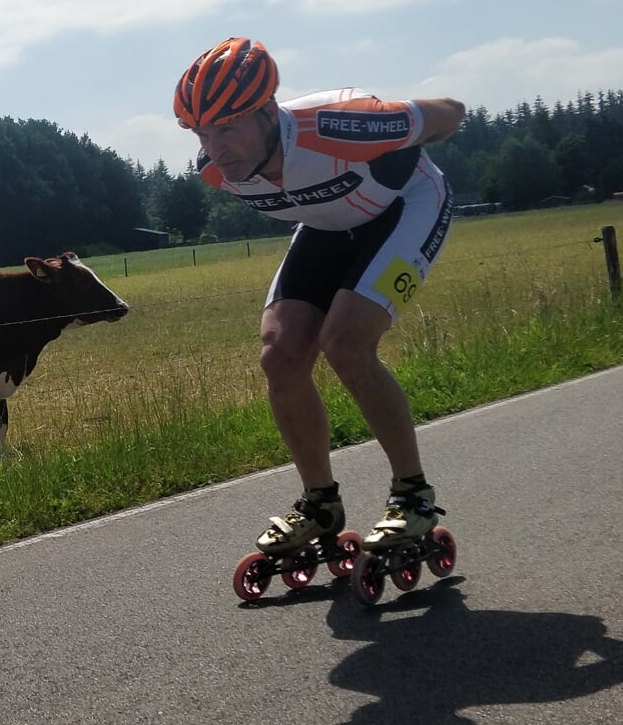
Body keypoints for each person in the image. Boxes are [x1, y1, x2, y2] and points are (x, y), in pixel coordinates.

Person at [173, 36, 466, 556]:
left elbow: (452, 113)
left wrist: (403, 123)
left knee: (346, 344)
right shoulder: (218, 173)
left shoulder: (341, 125)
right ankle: (320, 504)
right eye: (201, 133)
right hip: (330, 225)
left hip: (407, 206)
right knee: (280, 357)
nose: (214, 147)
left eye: (226, 127)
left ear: (266, 111)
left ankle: (413, 496)